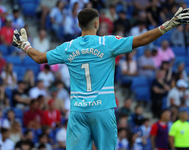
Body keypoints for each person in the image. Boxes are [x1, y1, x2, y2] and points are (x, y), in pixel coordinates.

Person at [12, 7, 189, 150]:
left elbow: (39, 58)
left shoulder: (68, 47)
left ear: (79, 24)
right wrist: (170, 24)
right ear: (97, 23)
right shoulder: (107, 43)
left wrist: (24, 44)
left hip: (78, 111)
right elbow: (142, 40)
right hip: (102, 109)